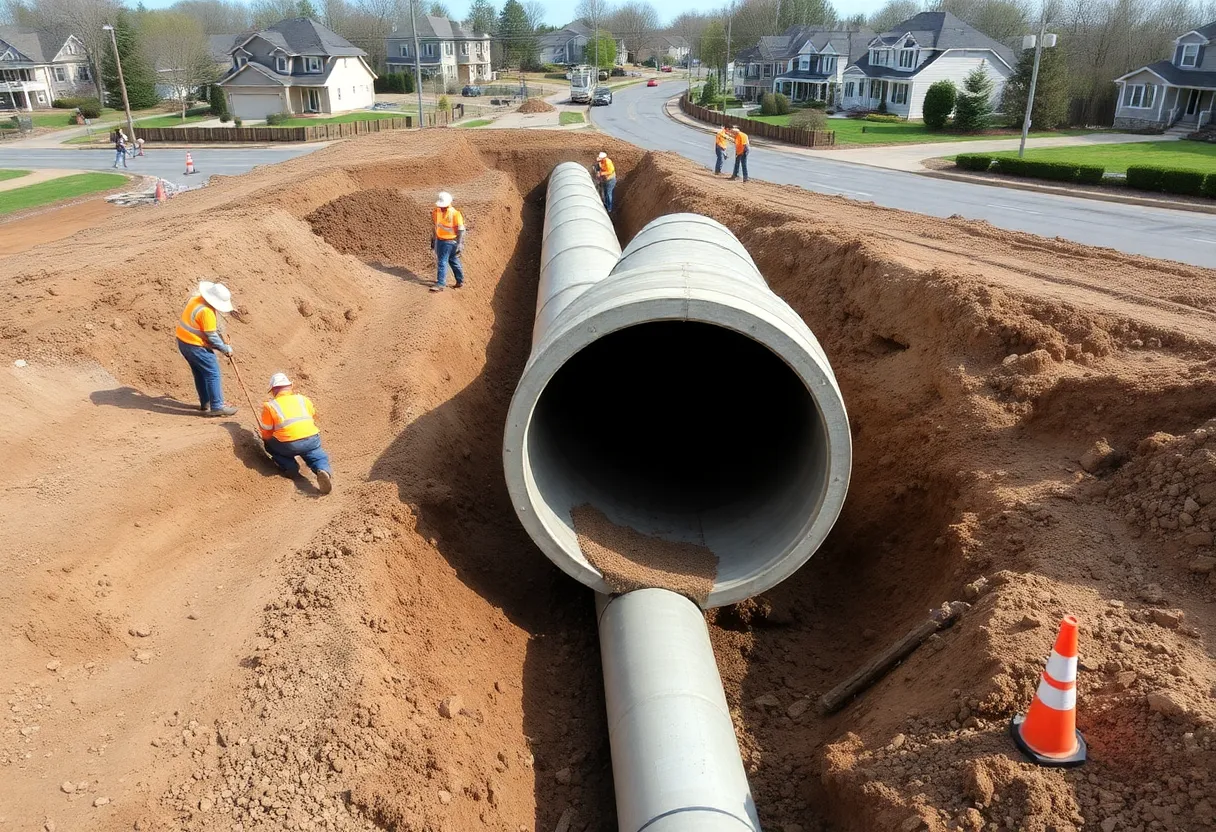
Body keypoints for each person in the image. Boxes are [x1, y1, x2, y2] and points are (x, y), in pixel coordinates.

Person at [258, 372, 333, 495]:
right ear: (290, 386)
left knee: (269, 443)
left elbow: (266, 432)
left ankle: (290, 467)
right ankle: (322, 469)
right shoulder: (303, 399)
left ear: (272, 391)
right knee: (317, 455)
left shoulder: (270, 407)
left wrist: (267, 440)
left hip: (287, 445)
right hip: (311, 438)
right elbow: (314, 416)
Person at [175, 281, 238, 417]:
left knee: (199, 372)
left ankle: (206, 402)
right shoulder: (207, 312)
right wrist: (225, 348)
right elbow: (212, 337)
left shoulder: (195, 300)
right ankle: (217, 406)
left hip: (183, 342)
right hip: (195, 346)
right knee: (212, 372)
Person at [430, 191, 465, 293]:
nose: (442, 207)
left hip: (450, 241)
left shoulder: (455, 214)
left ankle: (440, 283)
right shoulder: (436, 212)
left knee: (442, 261)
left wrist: (460, 243)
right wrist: (433, 239)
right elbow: (435, 226)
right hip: (440, 240)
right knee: (453, 260)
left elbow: (461, 229)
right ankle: (460, 280)